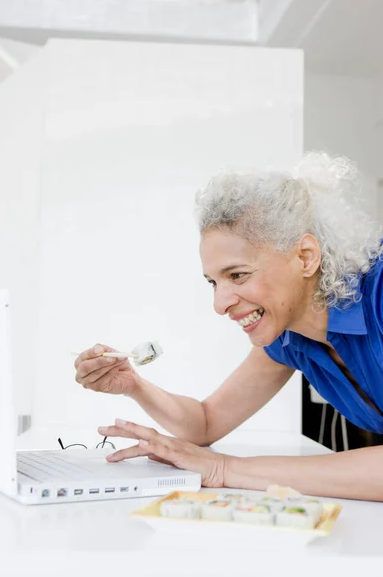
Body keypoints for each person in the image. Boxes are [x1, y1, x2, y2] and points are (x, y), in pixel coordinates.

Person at [74, 152, 383, 501]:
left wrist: (224, 468)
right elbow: (206, 422)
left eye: (237, 275)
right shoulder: (289, 339)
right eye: (213, 282)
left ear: (305, 257)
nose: (220, 305)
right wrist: (133, 384)